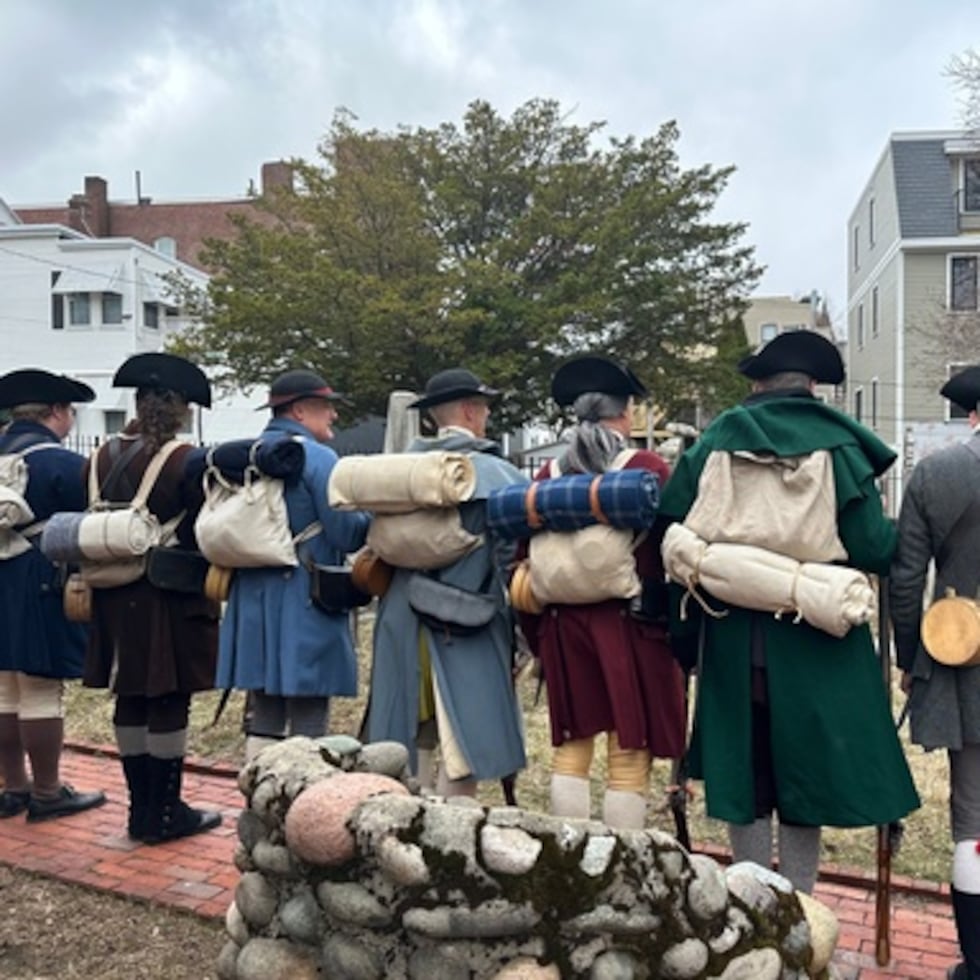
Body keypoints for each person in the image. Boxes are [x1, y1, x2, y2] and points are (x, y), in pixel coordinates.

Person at [659, 331, 919, 892]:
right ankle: (800, 909)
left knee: (746, 775)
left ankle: (752, 905)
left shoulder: (713, 443)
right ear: (813, 386)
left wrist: (684, 641)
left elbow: (669, 525)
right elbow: (873, 547)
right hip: (816, 636)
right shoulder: (841, 447)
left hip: (731, 635)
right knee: (803, 777)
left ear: (757, 383)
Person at [518, 355, 686, 829]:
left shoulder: (547, 475)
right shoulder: (648, 467)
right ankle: (622, 860)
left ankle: (568, 850)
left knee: (572, 745)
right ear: (625, 413)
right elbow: (665, 552)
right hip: (629, 625)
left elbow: (523, 556)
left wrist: (537, 637)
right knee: (628, 749)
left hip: (561, 625)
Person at [364, 368, 527, 797]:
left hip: (400, 615)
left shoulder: (399, 473)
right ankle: (447, 844)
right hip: (465, 617)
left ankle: (407, 826)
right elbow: (512, 553)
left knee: (409, 735)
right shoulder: (496, 474)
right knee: (462, 742)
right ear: (471, 411)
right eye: (485, 406)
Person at [84, 352, 221, 843]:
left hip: (112, 592)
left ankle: (140, 811)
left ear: (139, 403)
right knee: (167, 698)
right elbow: (208, 527)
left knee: (131, 696)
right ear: (181, 408)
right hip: (165, 593)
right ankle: (165, 813)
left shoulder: (100, 455)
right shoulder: (182, 460)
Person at [217, 369, 370, 760]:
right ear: (300, 411)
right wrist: (373, 517)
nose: (333, 415)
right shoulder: (318, 457)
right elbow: (345, 533)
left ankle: (258, 798)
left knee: (263, 708)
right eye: (326, 407)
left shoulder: (243, 455)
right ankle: (301, 807)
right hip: (305, 593)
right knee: (309, 709)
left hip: (250, 593)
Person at [889, 366, 980, 980]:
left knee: (973, 816)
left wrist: (905, 659)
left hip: (965, 657)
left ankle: (976, 966)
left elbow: (904, 580)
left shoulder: (937, 471)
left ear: (971, 413)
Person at [0, 369, 106, 822]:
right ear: (56, 413)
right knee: (42, 688)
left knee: (4, 688)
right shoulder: (63, 464)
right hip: (39, 579)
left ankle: (13, 787)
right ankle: (47, 792)